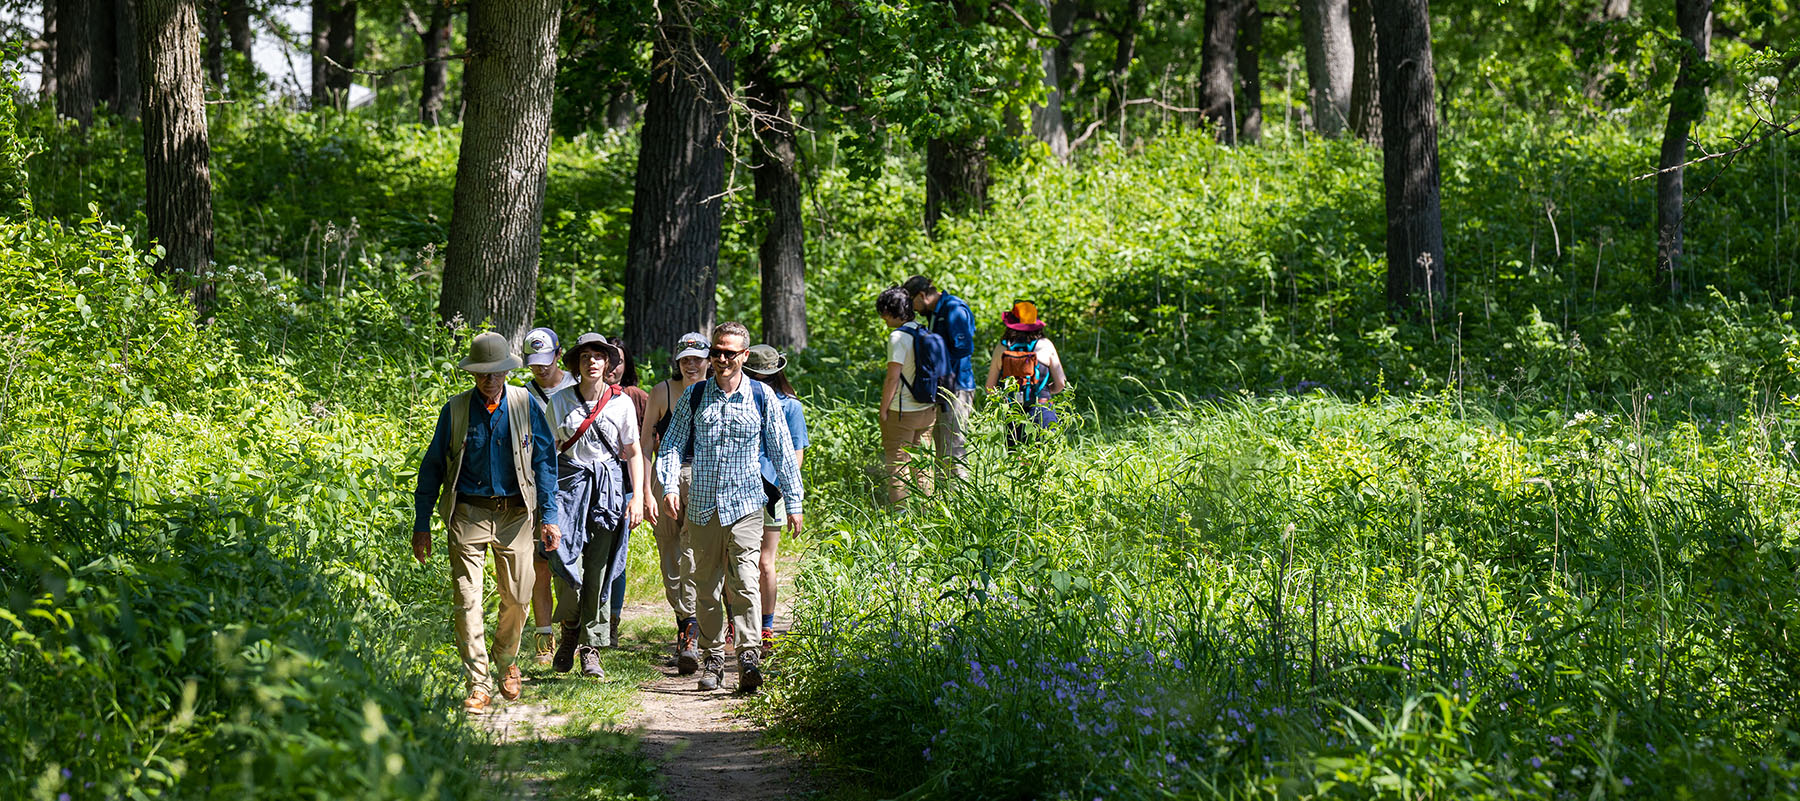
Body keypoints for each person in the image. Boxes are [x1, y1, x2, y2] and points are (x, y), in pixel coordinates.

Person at [412, 331, 560, 714]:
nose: (489, 380)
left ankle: (506, 657)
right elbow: (431, 469)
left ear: (507, 372)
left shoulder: (525, 405)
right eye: (482, 373)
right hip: (469, 513)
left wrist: (549, 517)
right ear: (472, 374)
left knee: (518, 598)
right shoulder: (457, 410)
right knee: (467, 601)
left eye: (495, 373)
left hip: (515, 514)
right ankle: (478, 683)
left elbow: (545, 462)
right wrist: (422, 523)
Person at [657, 322, 804, 693]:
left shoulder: (761, 397)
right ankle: (713, 659)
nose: (722, 359)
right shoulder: (694, 397)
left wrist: (794, 502)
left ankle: (749, 655)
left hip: (746, 505)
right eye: (717, 352)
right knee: (706, 587)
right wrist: (670, 485)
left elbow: (783, 451)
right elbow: (672, 444)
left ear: (744, 356)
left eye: (730, 353)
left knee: (746, 580)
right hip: (704, 506)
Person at [544, 334, 645, 679]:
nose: (592, 362)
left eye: (599, 356)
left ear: (608, 363)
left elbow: (633, 453)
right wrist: (543, 502)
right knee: (562, 561)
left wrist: (639, 499)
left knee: (599, 569)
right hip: (567, 488)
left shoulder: (622, 404)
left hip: (608, 491)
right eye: (585, 356)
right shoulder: (559, 402)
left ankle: (591, 647)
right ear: (576, 363)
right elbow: (546, 453)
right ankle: (570, 626)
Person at [639, 332, 711, 673]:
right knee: (669, 554)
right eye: (686, 359)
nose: (692, 365)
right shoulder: (662, 392)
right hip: (665, 478)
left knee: (693, 553)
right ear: (678, 361)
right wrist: (643, 492)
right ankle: (684, 622)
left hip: (703, 477)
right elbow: (644, 445)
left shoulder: (716, 392)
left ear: (709, 360)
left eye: (698, 358)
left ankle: (692, 633)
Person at [742, 344, 807, 646]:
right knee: (739, 559)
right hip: (738, 488)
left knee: (764, 562)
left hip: (771, 491)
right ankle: (741, 623)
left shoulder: (790, 406)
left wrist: (784, 491)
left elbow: (796, 454)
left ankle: (765, 627)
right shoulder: (738, 399)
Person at [522, 326, 577, 665]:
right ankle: (544, 637)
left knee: (567, 564)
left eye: (546, 360)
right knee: (538, 564)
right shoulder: (521, 395)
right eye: (533, 363)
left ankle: (575, 628)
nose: (540, 368)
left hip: (573, 486)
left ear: (559, 355)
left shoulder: (577, 387)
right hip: (533, 487)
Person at [601, 334, 649, 646]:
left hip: (627, 488)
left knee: (616, 557)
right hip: (588, 487)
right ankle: (588, 619)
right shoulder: (580, 396)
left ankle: (612, 622)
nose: (613, 367)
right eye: (609, 359)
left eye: (619, 360)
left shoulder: (636, 397)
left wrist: (646, 493)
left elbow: (649, 448)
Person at [904, 275, 976, 479]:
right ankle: (945, 502)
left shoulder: (953, 309)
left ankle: (960, 502)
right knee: (942, 448)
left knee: (954, 449)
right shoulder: (936, 312)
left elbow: (964, 348)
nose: (914, 310)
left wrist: (937, 367)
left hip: (957, 389)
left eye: (913, 303)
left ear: (922, 295)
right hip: (942, 390)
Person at [877, 286, 938, 504]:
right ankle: (926, 510)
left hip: (902, 411)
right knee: (922, 463)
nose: (883, 319)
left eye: (884, 313)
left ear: (892, 311)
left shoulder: (898, 338)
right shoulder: (923, 330)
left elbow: (893, 378)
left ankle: (901, 515)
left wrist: (883, 409)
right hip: (927, 408)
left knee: (897, 462)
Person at [984, 301, 1067, 445]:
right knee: (1043, 462)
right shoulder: (1045, 345)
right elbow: (1061, 383)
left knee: (1017, 462)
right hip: (1042, 410)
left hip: (1013, 414)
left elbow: (990, 388)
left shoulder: (1003, 347)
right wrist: (1047, 390)